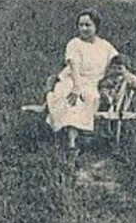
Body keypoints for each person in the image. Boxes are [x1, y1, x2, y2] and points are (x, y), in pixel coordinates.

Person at [44, 8, 117, 151]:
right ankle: (71, 141)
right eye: (80, 25)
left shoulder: (105, 46)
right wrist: (76, 86)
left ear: (96, 27)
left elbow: (118, 62)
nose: (83, 29)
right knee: (69, 96)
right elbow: (73, 65)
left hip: (92, 82)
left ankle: (78, 135)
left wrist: (128, 76)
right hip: (72, 79)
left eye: (88, 25)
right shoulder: (74, 43)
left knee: (90, 97)